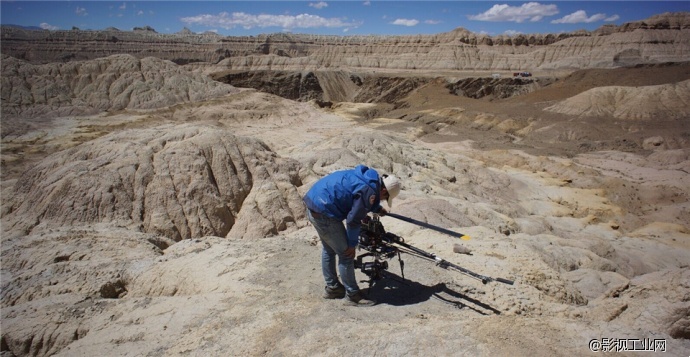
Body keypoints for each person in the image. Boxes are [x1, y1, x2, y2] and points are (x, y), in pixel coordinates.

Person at [303, 164, 401, 307]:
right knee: (346, 255)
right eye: (385, 198)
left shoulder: (368, 179)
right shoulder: (370, 191)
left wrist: (376, 208)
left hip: (313, 205)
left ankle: (333, 288)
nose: (383, 201)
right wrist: (351, 244)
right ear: (384, 190)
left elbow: (358, 196)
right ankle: (353, 295)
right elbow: (353, 220)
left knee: (329, 249)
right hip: (325, 214)